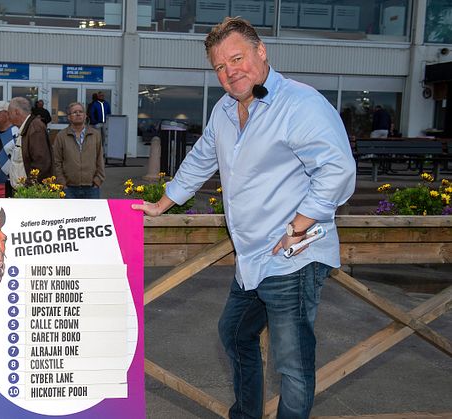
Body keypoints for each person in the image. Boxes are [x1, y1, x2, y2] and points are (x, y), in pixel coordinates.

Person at [132, 17, 355, 418]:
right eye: (220, 66)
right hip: (253, 258)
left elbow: (337, 170)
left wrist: (298, 226)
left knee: (292, 364)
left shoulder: (301, 104)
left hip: (294, 256)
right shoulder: (224, 109)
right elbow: (202, 158)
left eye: (237, 58)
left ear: (261, 51)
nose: (230, 71)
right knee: (234, 334)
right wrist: (163, 204)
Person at [52, 102, 104, 199]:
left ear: (85, 116)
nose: (78, 114)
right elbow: (56, 162)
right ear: (69, 117)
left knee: (92, 214)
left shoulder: (95, 135)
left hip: (91, 188)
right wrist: (62, 183)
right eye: (74, 112)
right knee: (69, 214)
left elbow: (100, 159)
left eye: (81, 112)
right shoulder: (61, 136)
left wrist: (98, 180)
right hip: (69, 189)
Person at [7, 97, 52, 190]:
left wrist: (28, 187)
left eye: (9, 113)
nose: (8, 116)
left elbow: (41, 164)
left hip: (29, 192)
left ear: (16, 112)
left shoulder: (35, 128)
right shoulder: (28, 127)